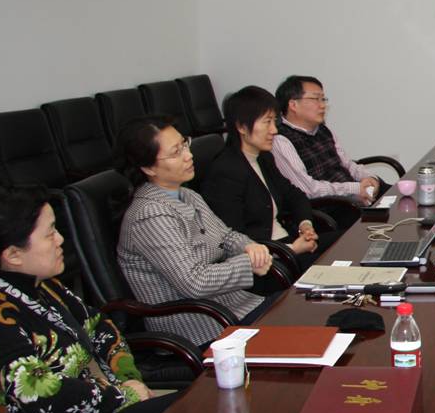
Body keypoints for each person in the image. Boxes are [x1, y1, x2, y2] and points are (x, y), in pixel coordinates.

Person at [0, 186, 178, 413]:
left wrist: (128, 379)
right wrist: (123, 397)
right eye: (50, 234)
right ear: (12, 255)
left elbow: (102, 328)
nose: (61, 240)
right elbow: (36, 394)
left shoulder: (45, 288)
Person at [117, 116, 274, 346]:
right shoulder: (149, 215)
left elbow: (225, 236)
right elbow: (195, 282)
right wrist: (247, 264)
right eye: (175, 152)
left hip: (231, 308)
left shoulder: (187, 194)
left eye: (185, 144)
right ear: (148, 167)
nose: (188, 155)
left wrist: (249, 247)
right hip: (200, 327)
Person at [203, 86, 334, 275]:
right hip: (268, 262)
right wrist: (293, 249)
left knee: (351, 241)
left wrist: (305, 226)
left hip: (287, 244)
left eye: (274, 121)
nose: (274, 130)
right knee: (342, 262)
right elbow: (234, 240)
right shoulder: (225, 171)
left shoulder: (263, 157)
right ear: (241, 127)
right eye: (267, 122)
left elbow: (295, 195)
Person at [272, 75, 388, 231]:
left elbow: (347, 164)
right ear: (293, 104)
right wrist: (354, 189)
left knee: (401, 197)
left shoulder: (323, 129)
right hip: (328, 210)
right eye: (316, 99)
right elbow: (308, 190)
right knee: (386, 222)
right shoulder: (281, 140)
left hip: (351, 197)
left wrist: (368, 178)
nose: (322, 105)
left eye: (323, 99)